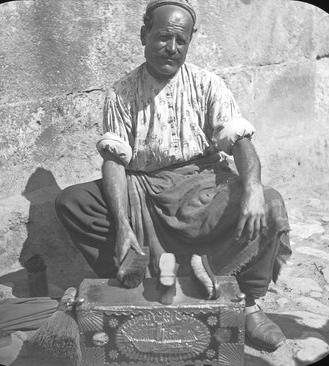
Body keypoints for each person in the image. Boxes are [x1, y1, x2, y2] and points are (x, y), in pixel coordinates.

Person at [55, 0, 292, 351]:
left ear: (189, 42)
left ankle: (247, 302)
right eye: (163, 37)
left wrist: (253, 187)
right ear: (143, 35)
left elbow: (240, 140)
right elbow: (114, 160)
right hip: (142, 188)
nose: (171, 48)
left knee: (268, 203)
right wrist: (122, 225)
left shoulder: (208, 85)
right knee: (73, 202)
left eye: (181, 41)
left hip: (202, 184)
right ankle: (137, 283)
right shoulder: (121, 93)